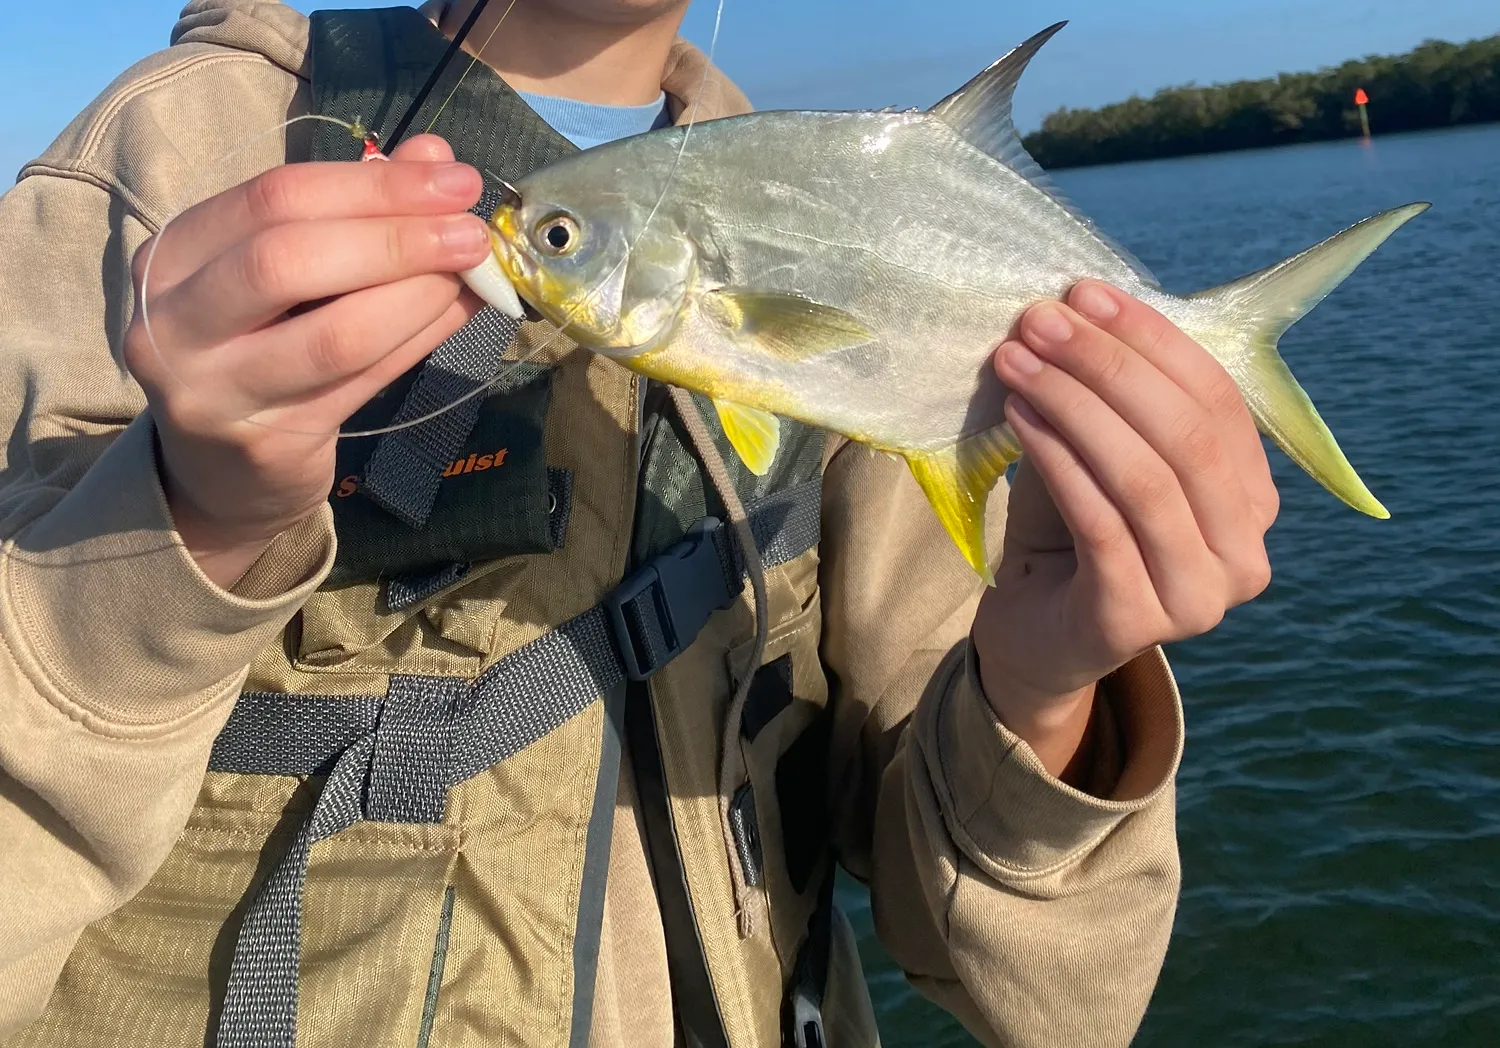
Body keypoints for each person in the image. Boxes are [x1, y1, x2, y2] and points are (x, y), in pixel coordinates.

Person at [0, 0, 1278, 1045]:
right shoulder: (187, 146)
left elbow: (1054, 1007)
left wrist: (1049, 688)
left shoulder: (848, 206)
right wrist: (179, 530)